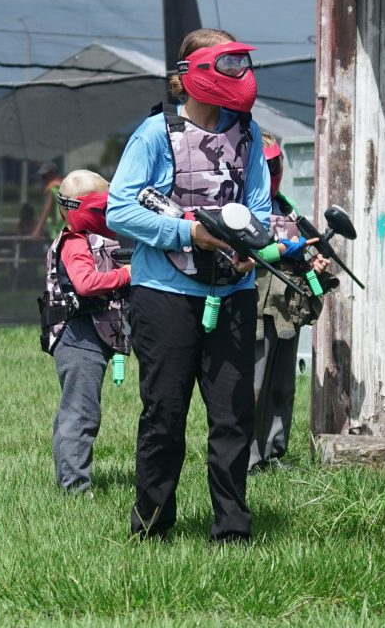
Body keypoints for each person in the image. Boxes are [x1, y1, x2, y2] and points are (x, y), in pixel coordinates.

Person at [107, 27, 270, 542]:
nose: (238, 77)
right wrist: (188, 233)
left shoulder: (248, 133)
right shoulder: (156, 134)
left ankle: (233, 532)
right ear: (192, 75)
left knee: (233, 416)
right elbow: (119, 208)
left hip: (233, 294)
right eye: (226, 66)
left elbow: (261, 208)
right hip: (165, 298)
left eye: (240, 65)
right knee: (165, 413)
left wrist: (253, 252)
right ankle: (153, 528)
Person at [38, 169, 132, 495]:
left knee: (78, 410)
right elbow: (85, 283)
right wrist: (128, 275)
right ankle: (75, 487)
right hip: (78, 336)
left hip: (91, 335)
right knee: (80, 413)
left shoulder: (98, 242)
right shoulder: (76, 244)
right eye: (101, 209)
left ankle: (72, 478)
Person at [249, 134, 330, 472]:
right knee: (253, 386)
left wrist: (311, 263)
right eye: (263, 165)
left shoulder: (287, 208)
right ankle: (247, 459)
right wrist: (283, 249)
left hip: (288, 303)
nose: (270, 172)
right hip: (255, 304)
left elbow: (299, 251)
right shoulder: (243, 205)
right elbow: (243, 254)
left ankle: (273, 454)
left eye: (274, 164)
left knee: (282, 386)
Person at [28, 165, 64, 241]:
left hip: (58, 231)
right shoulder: (65, 184)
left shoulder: (53, 187)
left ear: (53, 173)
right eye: (42, 177)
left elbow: (47, 209)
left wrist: (38, 229)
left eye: (45, 176)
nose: (44, 179)